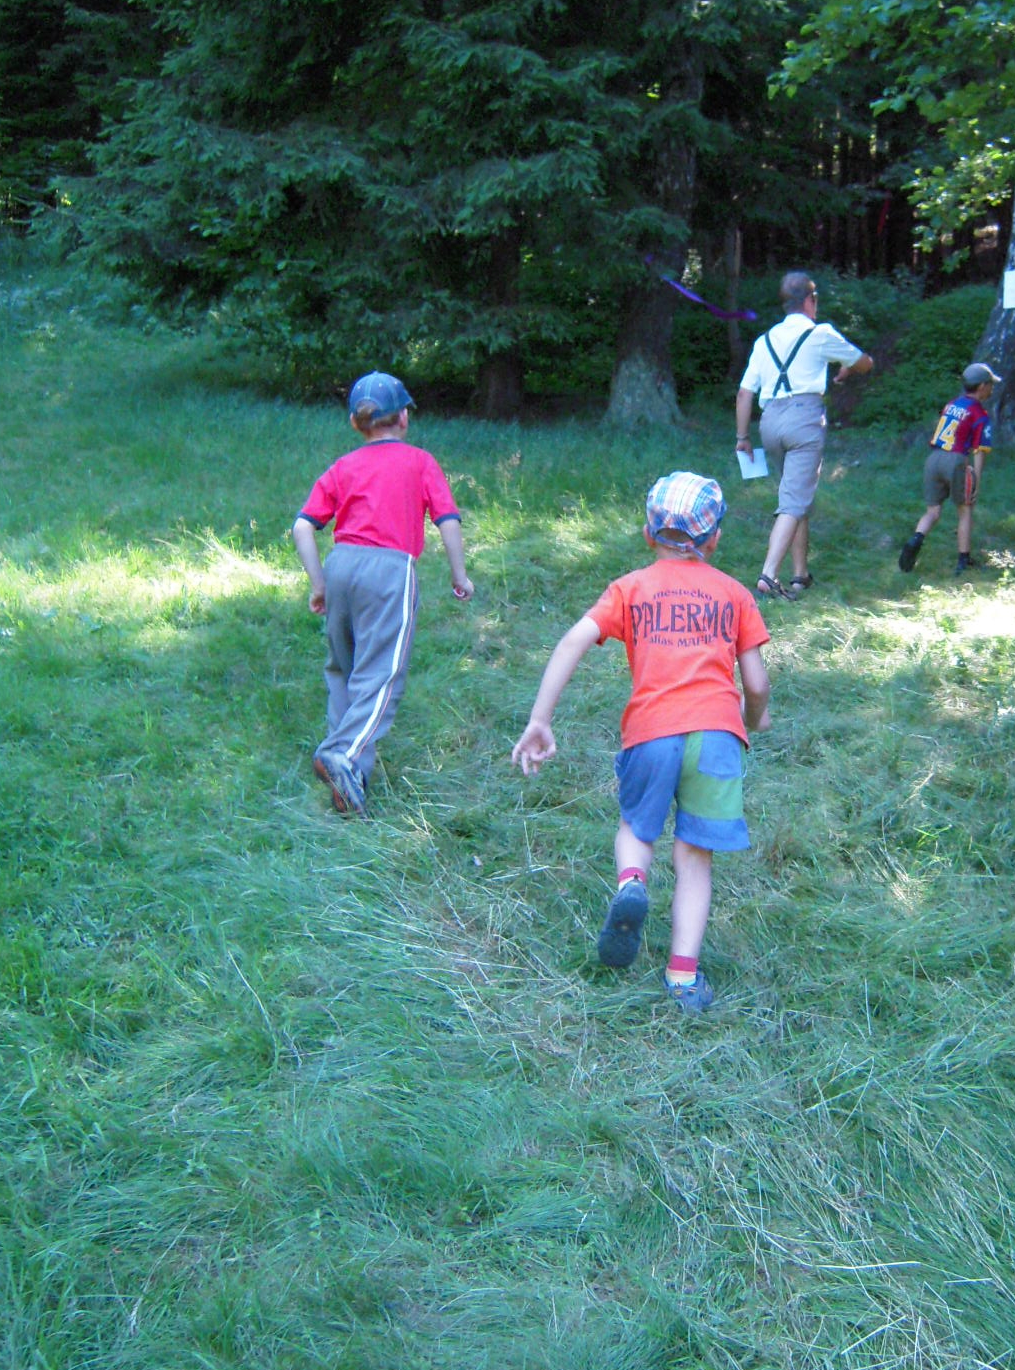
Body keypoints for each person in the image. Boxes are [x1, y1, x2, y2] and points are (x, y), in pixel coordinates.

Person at [511, 473, 771, 1014]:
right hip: (717, 737)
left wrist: (540, 719)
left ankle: (632, 882)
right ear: (715, 538)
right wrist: (754, 717)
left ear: (648, 532)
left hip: (651, 733)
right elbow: (757, 682)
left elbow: (573, 640)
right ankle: (683, 978)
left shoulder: (629, 588)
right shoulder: (736, 594)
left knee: (636, 827)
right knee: (695, 856)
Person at [292, 371, 473, 816]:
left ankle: (351, 781)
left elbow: (302, 527)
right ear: (404, 417)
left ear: (356, 423)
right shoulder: (420, 462)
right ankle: (341, 755)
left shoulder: (344, 466)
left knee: (344, 669)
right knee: (382, 674)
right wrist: (459, 575)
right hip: (390, 570)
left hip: (341, 565)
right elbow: (447, 520)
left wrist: (319, 583)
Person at [734, 270, 873, 599]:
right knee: (794, 501)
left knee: (796, 495)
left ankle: (800, 574)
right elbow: (865, 363)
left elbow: (744, 393)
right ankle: (768, 575)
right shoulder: (820, 334)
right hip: (804, 421)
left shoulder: (764, 341)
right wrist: (849, 366)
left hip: (770, 423)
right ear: (811, 300)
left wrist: (742, 437)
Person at [897, 362, 1001, 576]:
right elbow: (979, 451)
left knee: (933, 511)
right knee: (965, 510)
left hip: (934, 458)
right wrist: (976, 480)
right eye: (991, 384)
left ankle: (915, 540)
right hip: (955, 460)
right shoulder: (979, 414)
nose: (992, 388)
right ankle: (963, 561)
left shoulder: (952, 404)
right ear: (982, 386)